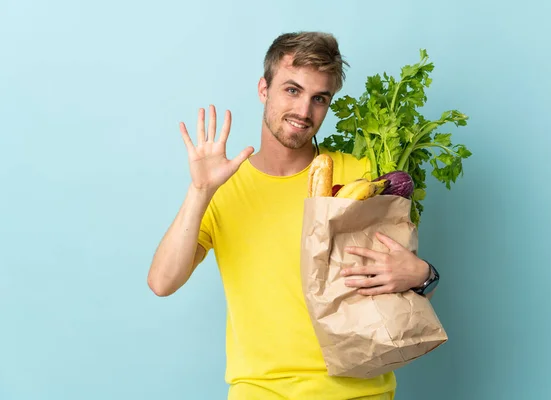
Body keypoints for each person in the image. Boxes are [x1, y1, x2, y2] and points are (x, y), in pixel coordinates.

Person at [147, 31, 439, 400]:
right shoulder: (223, 188)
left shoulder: (363, 176)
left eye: (319, 98)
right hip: (261, 391)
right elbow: (162, 282)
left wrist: (424, 275)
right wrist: (200, 191)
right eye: (292, 90)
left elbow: (399, 295)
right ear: (263, 89)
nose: (304, 111)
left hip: (361, 392)